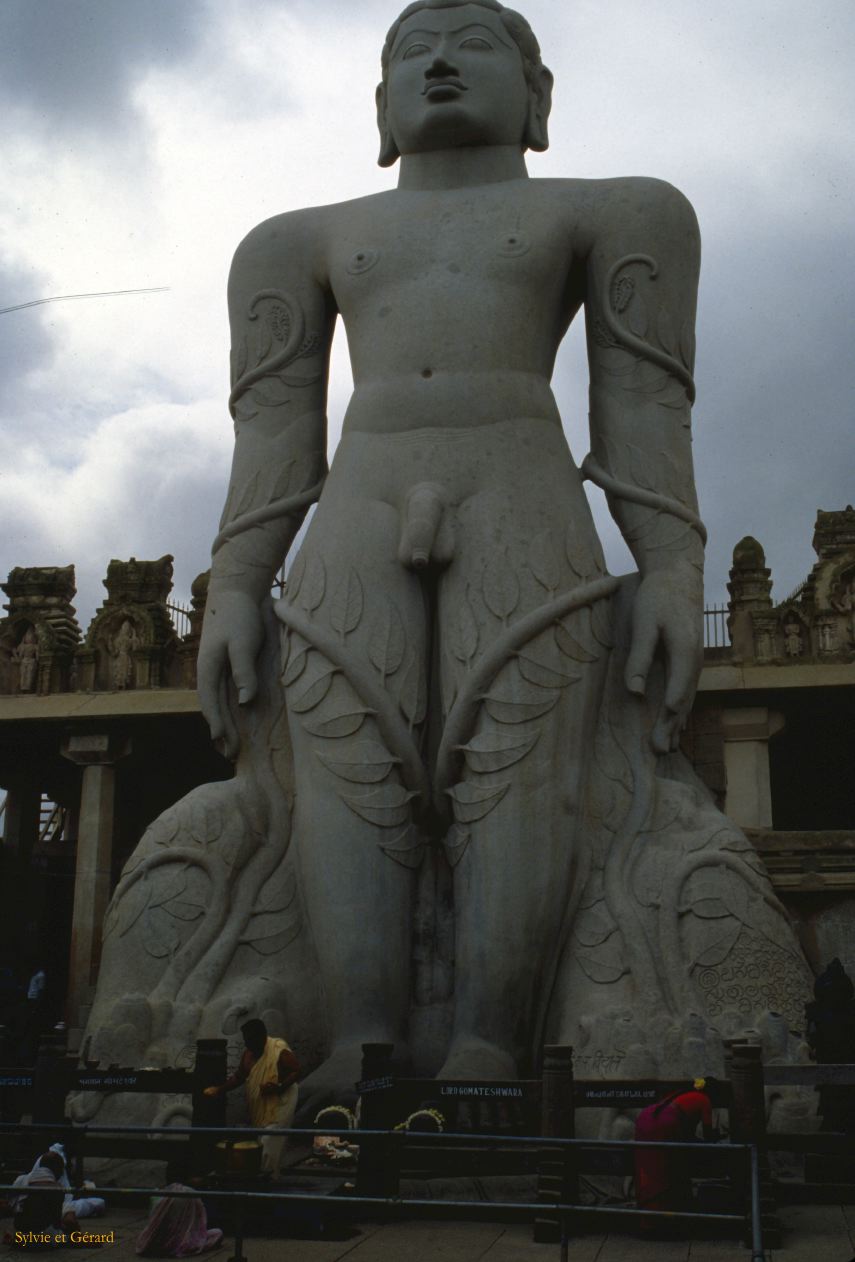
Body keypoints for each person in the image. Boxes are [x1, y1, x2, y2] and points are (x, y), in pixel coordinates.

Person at [196, 0, 705, 1112]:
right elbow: (274, 434)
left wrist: (671, 564)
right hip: (361, 498)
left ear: (539, 98)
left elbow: (644, 405)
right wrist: (237, 581)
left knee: (525, 759)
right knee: (344, 756)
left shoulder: (619, 211)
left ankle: (490, 1043)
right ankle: (359, 1036)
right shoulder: (295, 239)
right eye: (409, 50)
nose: (436, 60)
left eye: (473, 42)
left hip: (521, 482)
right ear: (378, 108)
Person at [203, 1019, 299, 1176]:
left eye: (251, 1040)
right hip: (262, 1104)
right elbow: (239, 1077)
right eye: (246, 1040)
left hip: (282, 1101)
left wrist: (279, 1087)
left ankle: (269, 1180)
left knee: (270, 1142)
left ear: (262, 1037)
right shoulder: (248, 1055)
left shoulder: (278, 1050)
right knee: (261, 1142)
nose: (248, 1044)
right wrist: (219, 1089)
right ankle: (265, 1176)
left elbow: (296, 1071)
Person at [634, 1077, 721, 1221]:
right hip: (666, 1124)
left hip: (646, 1119)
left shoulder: (680, 1094)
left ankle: (648, 1215)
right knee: (671, 1170)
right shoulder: (704, 1100)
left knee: (649, 1170)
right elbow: (708, 1136)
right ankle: (670, 1215)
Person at [806, 958, 855, 1131]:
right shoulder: (847, 1011)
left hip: (832, 1064)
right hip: (841, 1063)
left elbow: (811, 1039)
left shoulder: (817, 1012)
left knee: (834, 1107)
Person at [135, 1163, 222, 1257]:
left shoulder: (160, 1195)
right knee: (217, 1233)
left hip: (160, 1241)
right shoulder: (190, 1194)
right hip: (183, 1241)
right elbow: (200, 1223)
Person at [7, 1151, 78, 1246]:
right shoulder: (57, 1188)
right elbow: (56, 1223)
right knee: (71, 1236)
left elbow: (12, 1207)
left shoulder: (20, 1179)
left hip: (19, 1235)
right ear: (57, 1170)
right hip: (42, 1237)